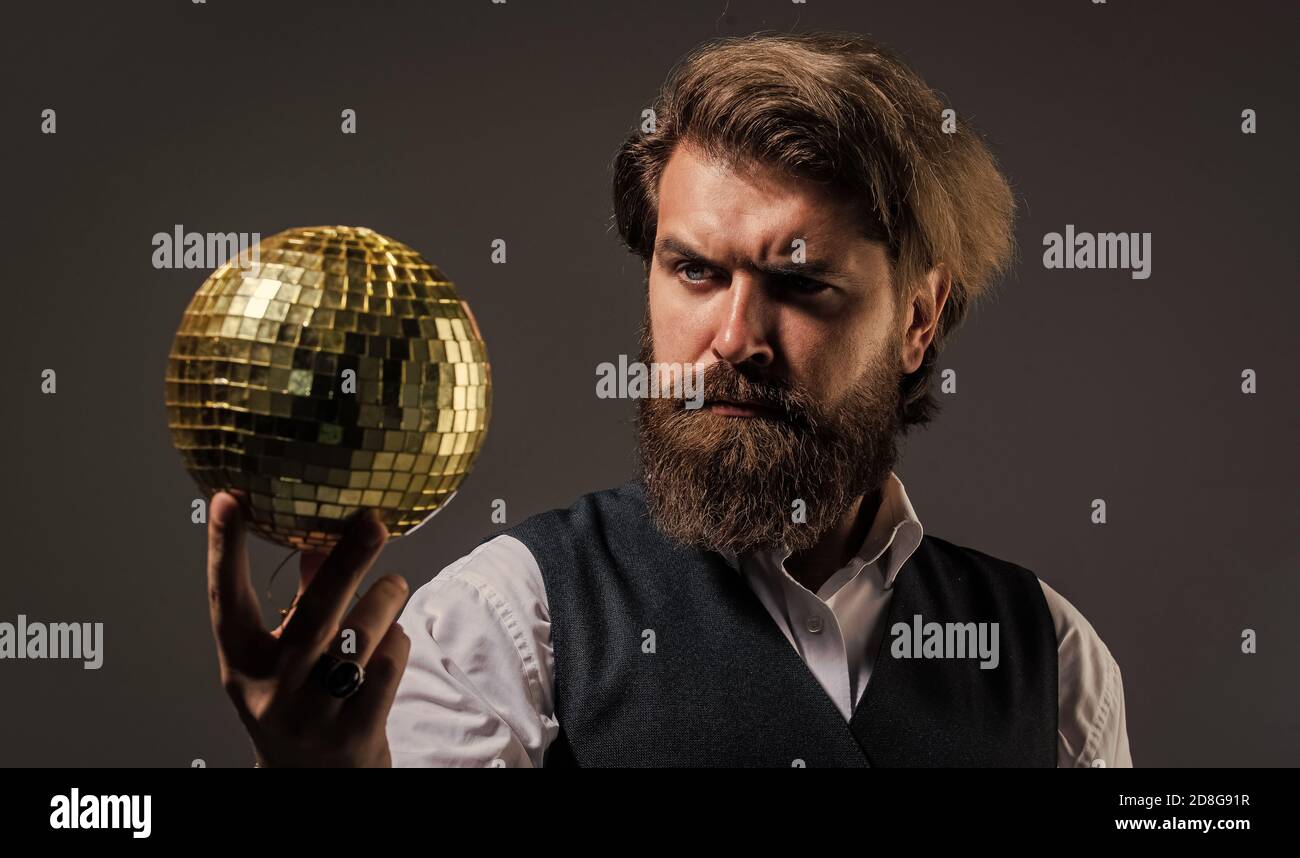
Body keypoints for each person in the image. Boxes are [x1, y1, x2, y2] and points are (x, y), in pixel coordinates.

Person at [206, 31, 1131, 767]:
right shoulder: (509, 621)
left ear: (919, 320)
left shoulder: (1052, 658)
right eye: (694, 270)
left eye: (801, 284)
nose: (734, 340)